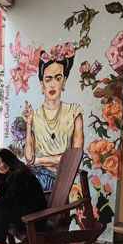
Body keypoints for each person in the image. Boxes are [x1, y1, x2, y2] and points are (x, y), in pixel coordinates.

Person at [22, 42, 84, 190]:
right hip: (35, 175)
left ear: (64, 81)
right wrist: (29, 125)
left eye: (58, 78)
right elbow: (29, 159)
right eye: (48, 79)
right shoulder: (34, 115)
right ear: (42, 84)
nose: (52, 85)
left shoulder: (74, 112)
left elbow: (73, 159)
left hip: (59, 179)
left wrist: (40, 160)